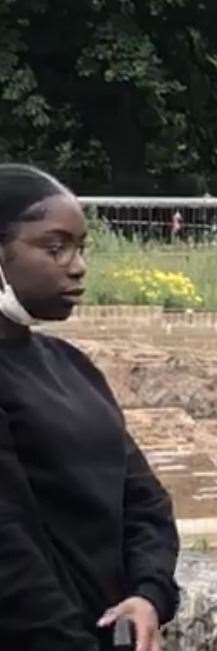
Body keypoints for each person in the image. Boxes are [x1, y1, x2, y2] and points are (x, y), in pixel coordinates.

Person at [0, 164, 179, 650]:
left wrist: (148, 594)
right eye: (55, 247)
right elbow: (12, 555)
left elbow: (144, 499)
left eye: (81, 249)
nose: (77, 266)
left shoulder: (72, 366)